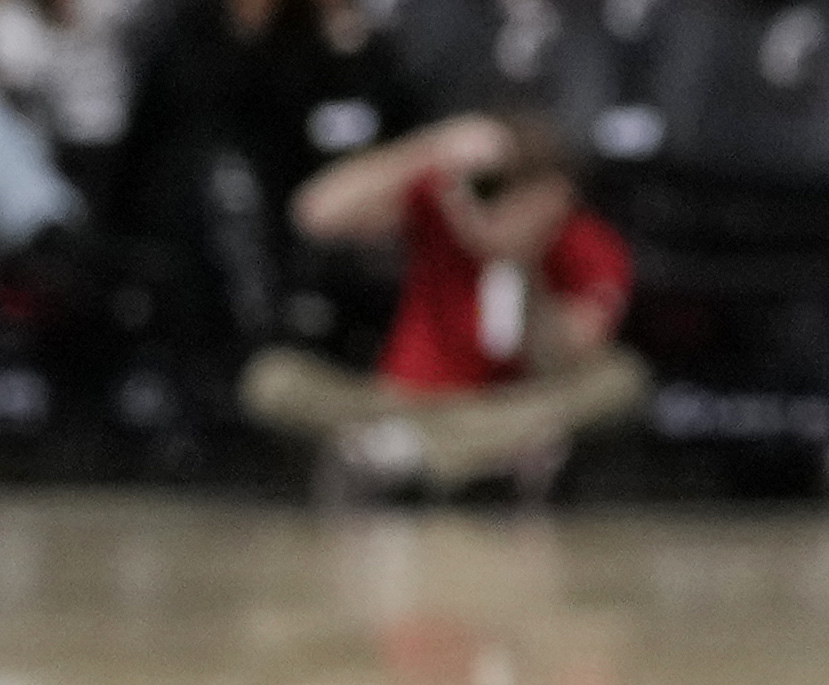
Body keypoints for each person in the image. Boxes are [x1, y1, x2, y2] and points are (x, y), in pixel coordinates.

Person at [241, 111, 645, 495]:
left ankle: (405, 454)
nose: (490, 203)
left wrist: (521, 262)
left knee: (622, 379)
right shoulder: (442, 209)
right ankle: (460, 454)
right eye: (485, 186)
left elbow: (574, 350)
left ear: (555, 192)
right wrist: (432, 148)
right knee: (272, 378)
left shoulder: (588, 244)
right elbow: (314, 213)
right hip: (400, 403)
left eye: (506, 187)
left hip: (509, 405)